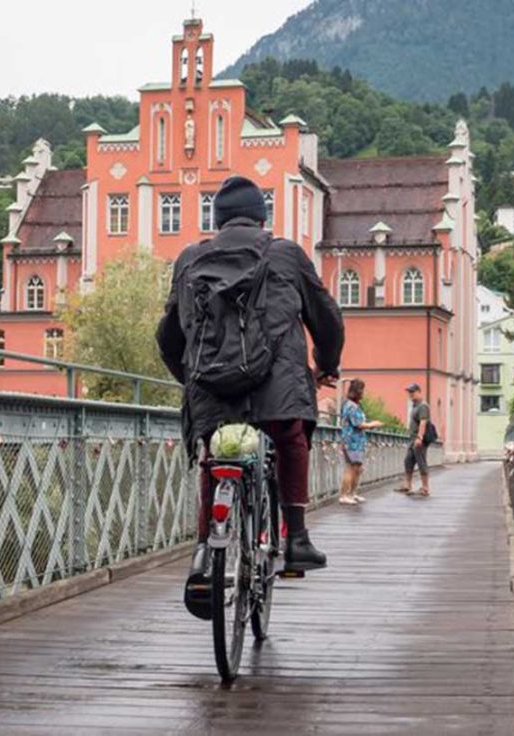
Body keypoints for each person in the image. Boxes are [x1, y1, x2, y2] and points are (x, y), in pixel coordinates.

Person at [156, 175, 344, 615]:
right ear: (262, 217)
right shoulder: (285, 254)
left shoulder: (189, 258)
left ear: (216, 220)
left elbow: (168, 336)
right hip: (277, 386)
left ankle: (205, 550)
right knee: (290, 437)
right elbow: (327, 318)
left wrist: (192, 380)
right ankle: (296, 537)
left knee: (214, 455)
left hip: (211, 387)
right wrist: (328, 364)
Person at [338, 379, 383, 505]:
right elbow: (358, 424)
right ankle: (344, 495)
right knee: (351, 468)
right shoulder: (351, 406)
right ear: (358, 391)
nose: (363, 392)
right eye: (362, 390)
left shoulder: (352, 405)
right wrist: (373, 424)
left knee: (357, 468)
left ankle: (352, 493)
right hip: (352, 441)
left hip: (355, 441)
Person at [395, 382, 431, 496]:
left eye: (413, 392)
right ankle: (407, 485)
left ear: (419, 392)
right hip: (412, 439)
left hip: (418, 440)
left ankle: (425, 488)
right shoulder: (415, 406)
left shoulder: (423, 406)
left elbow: (423, 422)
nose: (410, 394)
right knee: (408, 461)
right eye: (409, 392)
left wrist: (419, 438)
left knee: (421, 462)